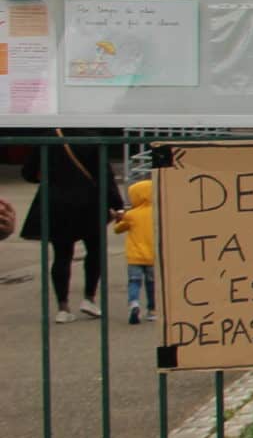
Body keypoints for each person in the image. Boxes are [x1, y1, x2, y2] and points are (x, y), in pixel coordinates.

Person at [21, 134, 120, 323]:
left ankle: (63, 307)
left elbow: (29, 172)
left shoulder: (48, 136)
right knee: (95, 251)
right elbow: (104, 175)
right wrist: (117, 203)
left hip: (56, 203)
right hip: (90, 203)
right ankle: (89, 298)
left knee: (61, 255)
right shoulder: (91, 136)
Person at [112, 172, 156, 324]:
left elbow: (118, 230)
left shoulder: (131, 215)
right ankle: (152, 310)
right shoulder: (157, 212)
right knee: (152, 284)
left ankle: (134, 303)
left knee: (134, 282)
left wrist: (118, 219)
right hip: (153, 256)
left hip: (134, 257)